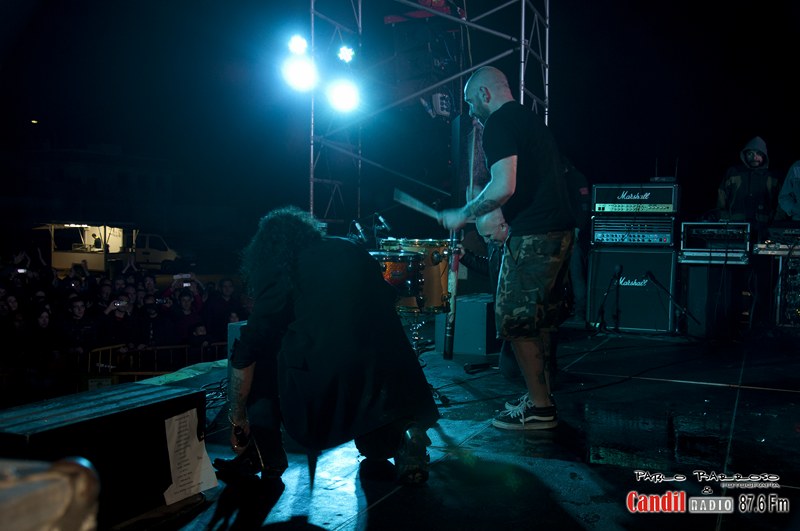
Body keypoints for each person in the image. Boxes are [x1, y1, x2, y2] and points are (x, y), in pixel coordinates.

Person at [214, 206, 439, 484]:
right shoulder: (350, 248)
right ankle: (407, 432)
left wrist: (237, 418)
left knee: (261, 353)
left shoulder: (284, 268)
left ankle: (264, 454)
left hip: (330, 385)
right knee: (374, 451)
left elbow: (248, 347)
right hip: (391, 378)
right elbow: (387, 295)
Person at [438, 66, 573, 431]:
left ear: (485, 94)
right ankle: (539, 397)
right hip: (557, 231)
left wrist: (464, 214)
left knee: (515, 320)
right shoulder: (528, 121)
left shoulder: (498, 123)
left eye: (471, 102)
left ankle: (540, 408)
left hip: (534, 234)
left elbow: (503, 187)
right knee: (539, 321)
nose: (471, 112)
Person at [716, 136, 781, 332]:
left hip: (762, 234)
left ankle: (760, 325)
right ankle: (731, 324)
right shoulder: (734, 172)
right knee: (734, 280)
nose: (754, 157)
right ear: (745, 155)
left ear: (764, 156)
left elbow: (779, 203)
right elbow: (721, 197)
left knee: (763, 281)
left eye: (758, 154)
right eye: (751, 153)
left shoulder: (772, 176)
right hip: (737, 233)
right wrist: (724, 219)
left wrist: (774, 225)